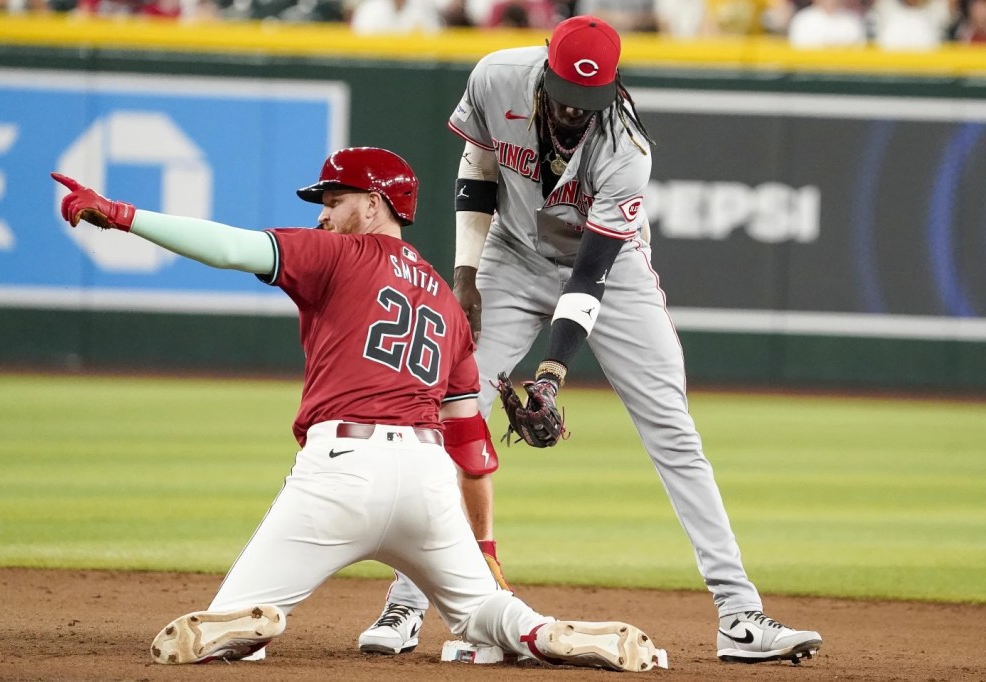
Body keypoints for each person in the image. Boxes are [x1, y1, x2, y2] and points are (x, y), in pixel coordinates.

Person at [49, 147, 667, 672]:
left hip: (341, 472)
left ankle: (249, 626)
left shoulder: (339, 256)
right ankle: (543, 631)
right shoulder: (449, 307)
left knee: (230, 621)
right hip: (428, 484)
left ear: (373, 204)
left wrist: (126, 216)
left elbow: (234, 248)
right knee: (484, 614)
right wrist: (485, 545)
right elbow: (472, 447)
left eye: (333, 200)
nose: (322, 216)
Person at [359, 16, 824, 665]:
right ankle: (407, 605)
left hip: (614, 272)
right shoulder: (497, 75)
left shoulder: (626, 145)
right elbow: (479, 164)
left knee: (673, 431)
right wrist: (465, 275)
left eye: (592, 102)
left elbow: (590, 274)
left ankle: (739, 615)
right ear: (545, 72)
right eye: (568, 99)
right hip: (510, 258)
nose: (578, 113)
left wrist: (550, 374)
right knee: (452, 414)